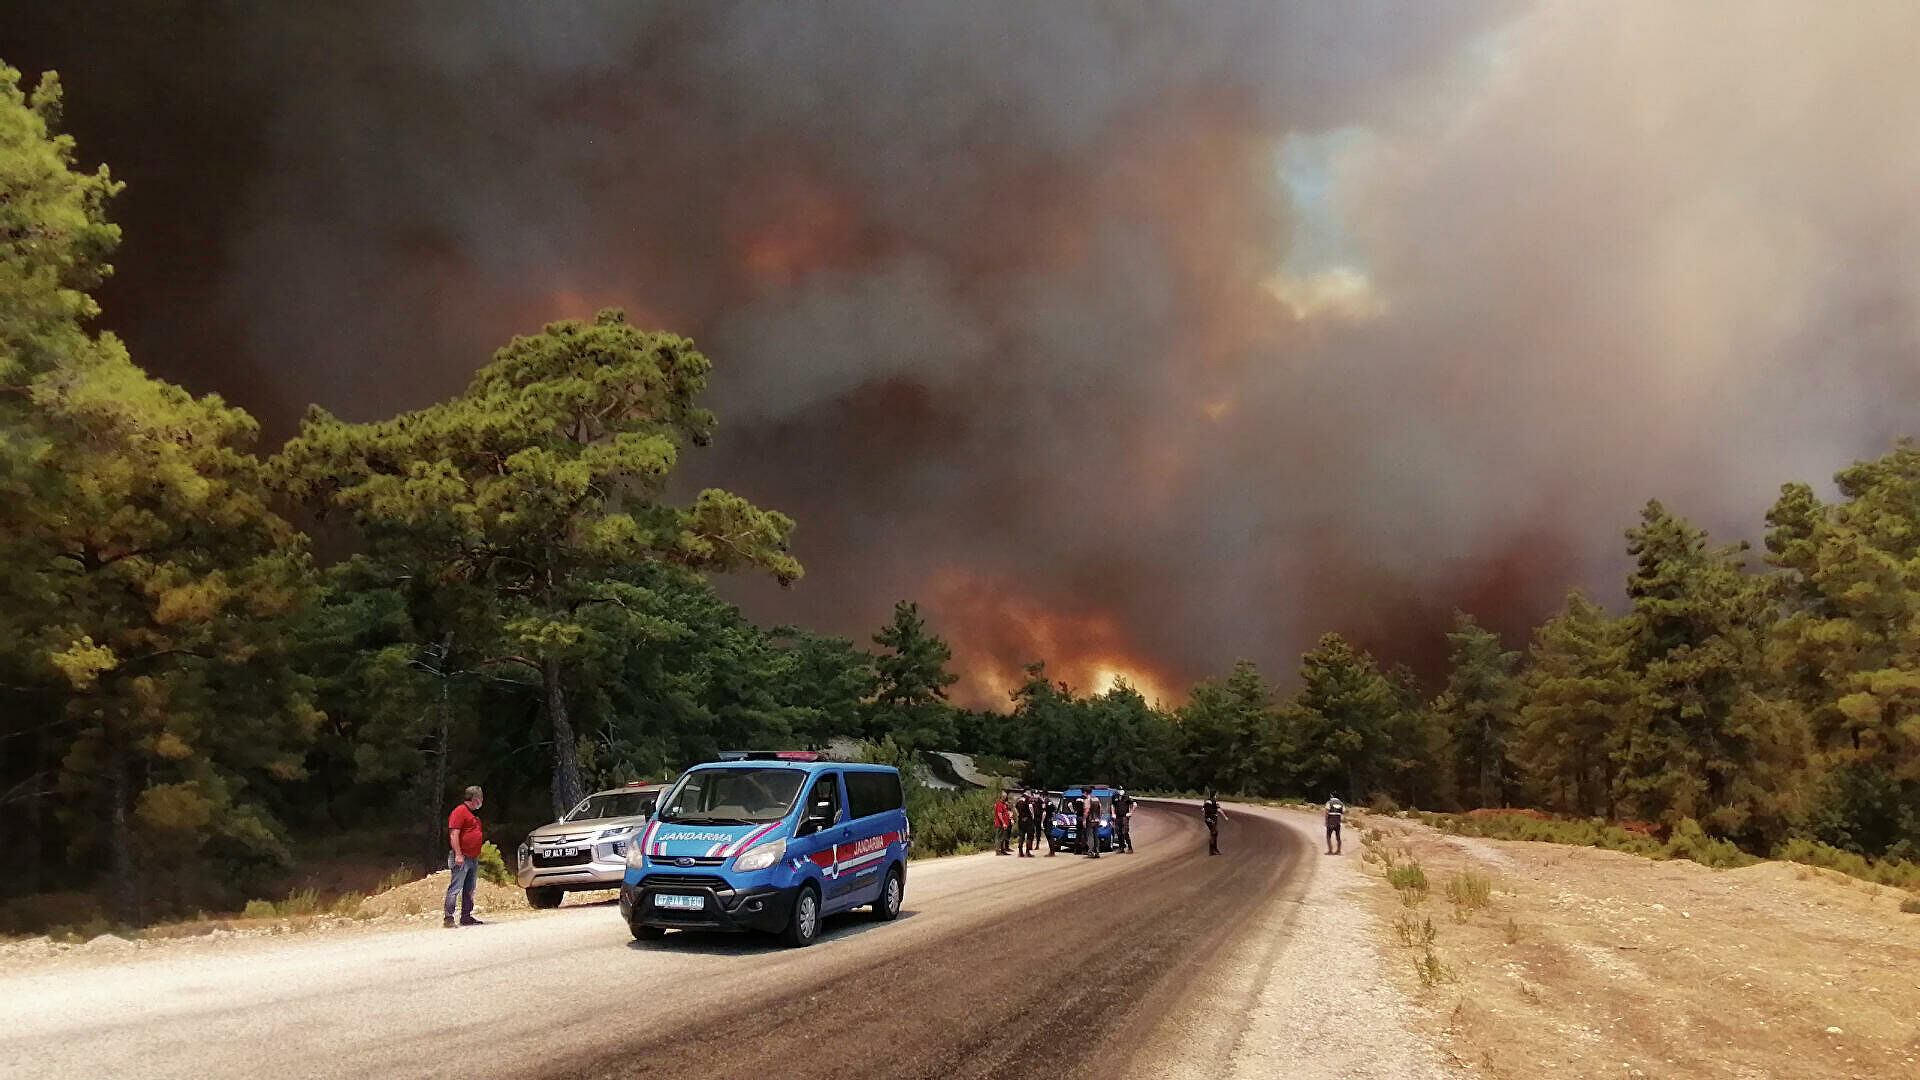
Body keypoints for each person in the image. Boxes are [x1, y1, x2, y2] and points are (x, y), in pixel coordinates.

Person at [445, 785, 485, 928]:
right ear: (474, 799)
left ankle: (466, 916)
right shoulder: (459, 812)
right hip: (462, 857)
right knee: (456, 887)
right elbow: (454, 834)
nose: (481, 801)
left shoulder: (472, 814)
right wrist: (458, 854)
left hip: (472, 857)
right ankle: (448, 917)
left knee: (469, 888)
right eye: (480, 798)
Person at [1112, 788, 1136, 854]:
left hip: (1124, 817)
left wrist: (1131, 812)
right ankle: (1121, 848)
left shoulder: (1127, 797)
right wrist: (1113, 813)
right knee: (1118, 832)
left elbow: (1135, 804)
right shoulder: (1115, 797)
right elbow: (1112, 805)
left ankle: (1130, 847)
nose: (1120, 791)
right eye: (1119, 790)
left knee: (1125, 832)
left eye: (1121, 790)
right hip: (1117, 817)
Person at [1015, 789, 1036, 857]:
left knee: (1021, 836)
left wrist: (1018, 815)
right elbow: (1030, 807)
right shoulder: (1028, 799)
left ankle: (1020, 852)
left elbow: (1015, 808)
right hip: (1028, 819)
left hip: (1021, 819)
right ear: (1028, 792)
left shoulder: (1019, 799)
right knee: (1029, 836)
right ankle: (1027, 852)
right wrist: (1032, 816)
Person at [1082, 789, 1102, 858]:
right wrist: (1099, 818)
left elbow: (1087, 811)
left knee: (1090, 836)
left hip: (1090, 820)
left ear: (1085, 792)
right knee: (1096, 836)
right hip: (1096, 820)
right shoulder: (1096, 798)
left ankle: (1090, 852)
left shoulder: (1088, 799)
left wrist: (1084, 820)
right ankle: (1097, 852)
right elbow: (1100, 809)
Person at [993, 791, 1014, 855]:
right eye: (1005, 796)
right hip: (1000, 824)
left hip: (1004, 824)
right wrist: (1003, 823)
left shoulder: (1003, 804)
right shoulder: (999, 804)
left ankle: (1003, 850)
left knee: (1003, 837)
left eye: (1006, 796)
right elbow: (999, 814)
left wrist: (1010, 819)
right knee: (999, 838)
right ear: (1002, 797)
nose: (1006, 798)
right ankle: (998, 851)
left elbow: (1007, 813)